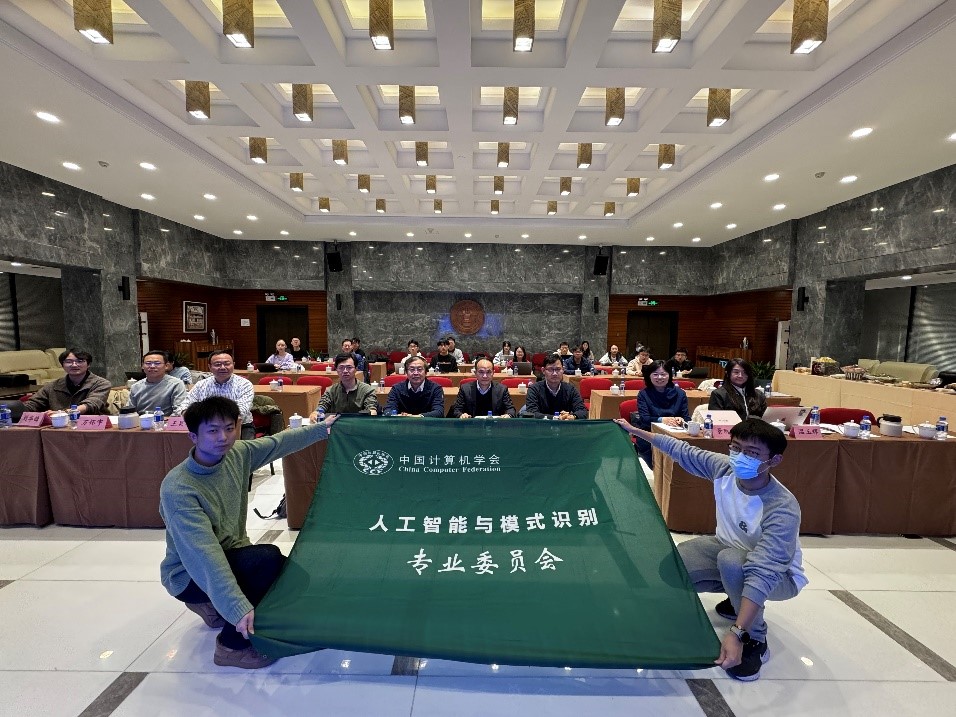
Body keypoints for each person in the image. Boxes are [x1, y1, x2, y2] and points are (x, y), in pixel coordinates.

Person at [614, 417, 807, 682]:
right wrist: (635, 431)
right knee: (677, 565)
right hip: (728, 547)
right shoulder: (724, 468)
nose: (740, 457)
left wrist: (737, 633)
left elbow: (764, 572)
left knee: (731, 562)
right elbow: (683, 450)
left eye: (752, 453)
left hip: (780, 576)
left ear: (774, 460)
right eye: (736, 448)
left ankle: (756, 639)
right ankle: (735, 599)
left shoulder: (781, 507)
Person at [160, 396, 338, 669]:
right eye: (212, 430)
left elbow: (279, 443)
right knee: (266, 562)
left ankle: (213, 607)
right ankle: (231, 646)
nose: (223, 437)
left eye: (229, 428)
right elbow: (205, 556)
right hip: (189, 574)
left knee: (291, 578)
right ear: (193, 436)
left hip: (232, 553)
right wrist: (236, 608)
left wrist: (322, 429)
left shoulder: (237, 454)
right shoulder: (179, 489)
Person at [175, 350, 256, 438]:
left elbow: (241, 411)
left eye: (227, 364)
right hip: (207, 426)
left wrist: (205, 415)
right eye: (217, 364)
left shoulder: (244, 384)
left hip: (240, 426)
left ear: (233, 365)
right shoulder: (201, 385)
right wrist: (186, 413)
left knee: (244, 446)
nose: (222, 367)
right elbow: (183, 407)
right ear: (209, 367)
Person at [631, 361, 690, 468]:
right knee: (657, 465)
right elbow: (644, 419)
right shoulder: (644, 394)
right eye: (655, 374)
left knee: (683, 458)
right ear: (649, 376)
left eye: (663, 374)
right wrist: (662, 419)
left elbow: (687, 418)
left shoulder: (680, 393)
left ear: (669, 375)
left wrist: (681, 420)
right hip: (650, 433)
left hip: (675, 434)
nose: (659, 377)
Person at [21, 348, 111, 415]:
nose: (74, 365)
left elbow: (91, 404)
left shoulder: (101, 383)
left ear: (88, 364)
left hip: (91, 425)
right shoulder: (52, 386)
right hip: (59, 426)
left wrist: (61, 413)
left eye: (80, 361)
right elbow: (33, 404)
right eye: (69, 362)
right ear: (62, 365)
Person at [523, 354, 587, 420]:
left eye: (558, 369)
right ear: (543, 370)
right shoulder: (534, 389)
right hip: (541, 425)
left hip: (564, 425)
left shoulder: (571, 389)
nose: (555, 373)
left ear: (563, 370)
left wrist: (572, 416)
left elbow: (582, 411)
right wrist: (556, 418)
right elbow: (531, 413)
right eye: (550, 369)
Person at [127, 350, 188, 416]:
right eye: (148, 363)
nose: (152, 366)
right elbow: (129, 411)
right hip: (141, 420)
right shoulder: (135, 387)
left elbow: (179, 410)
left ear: (166, 366)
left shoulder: (176, 384)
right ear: (142, 366)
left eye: (157, 363)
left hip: (165, 420)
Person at [451, 358, 516, 418]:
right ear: (475, 373)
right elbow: (456, 410)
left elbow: (511, 410)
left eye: (488, 372)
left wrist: (508, 415)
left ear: (493, 373)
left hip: (494, 425)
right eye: (481, 372)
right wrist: (461, 415)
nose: (485, 376)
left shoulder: (502, 389)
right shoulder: (465, 389)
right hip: (472, 425)